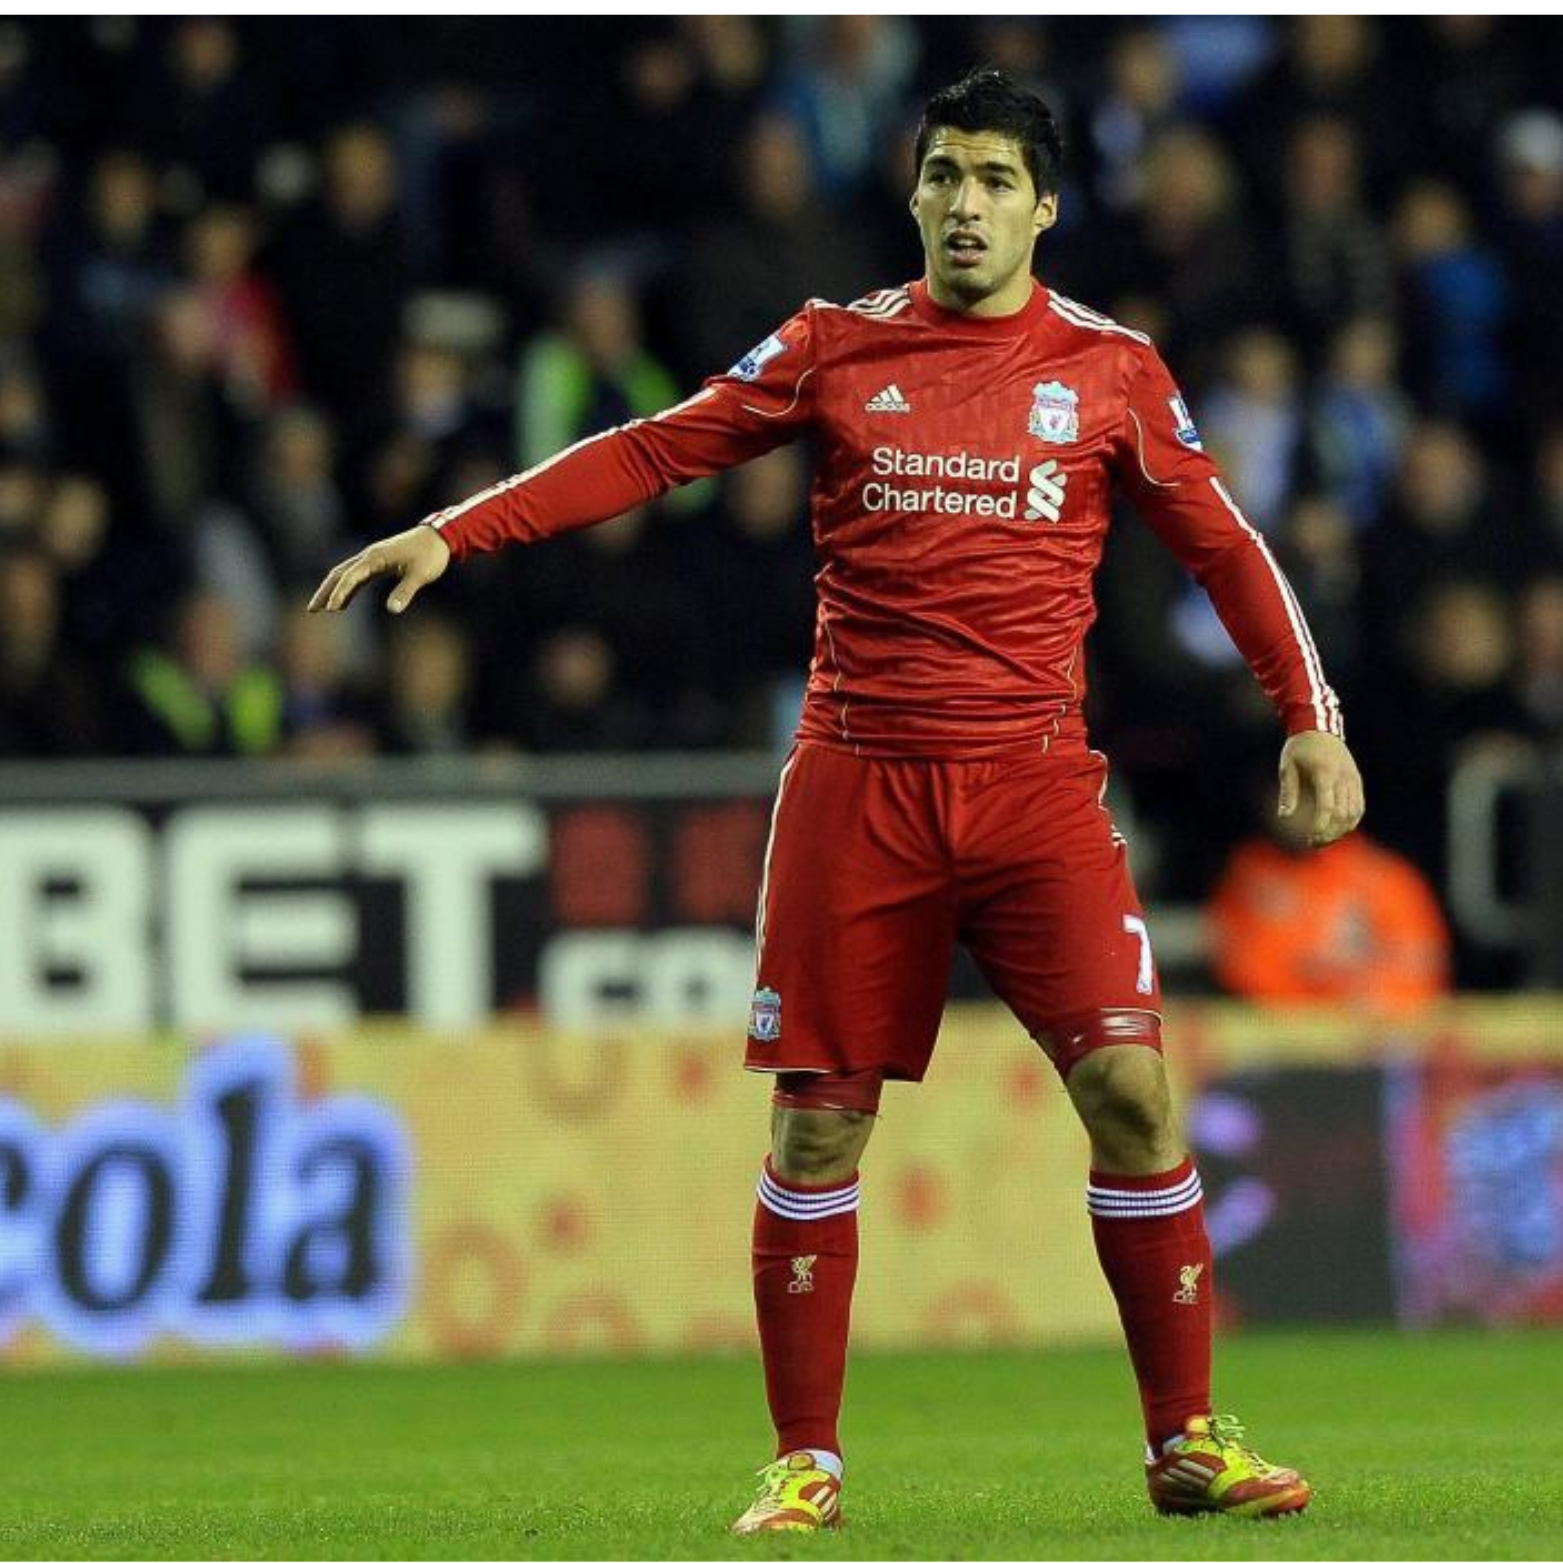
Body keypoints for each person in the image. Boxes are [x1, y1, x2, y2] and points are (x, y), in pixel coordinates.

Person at [310, 69, 1365, 1529]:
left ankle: (1184, 1438)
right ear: (913, 193)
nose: (966, 204)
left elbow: (1225, 547)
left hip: (1034, 788)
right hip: (858, 786)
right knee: (818, 1128)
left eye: (996, 180)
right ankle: (805, 1461)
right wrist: (457, 529)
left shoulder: (1111, 370)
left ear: (1046, 209)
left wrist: (1308, 716)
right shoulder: (833, 346)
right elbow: (658, 444)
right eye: (944, 175)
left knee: (1132, 1090)